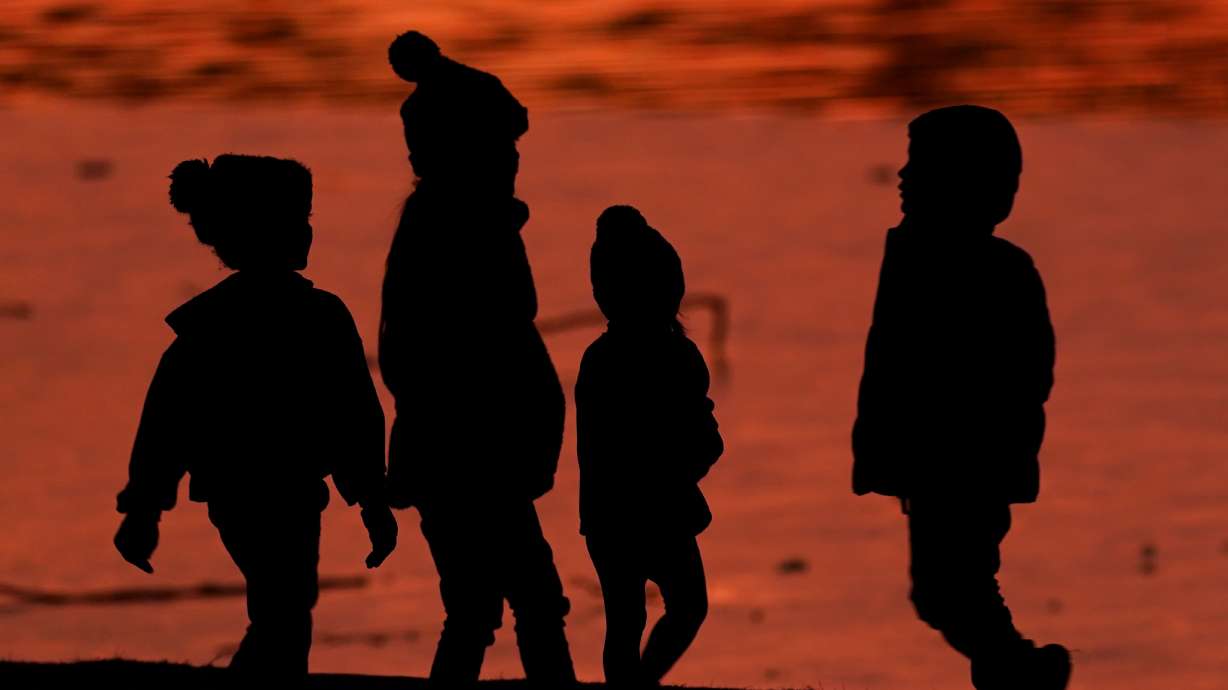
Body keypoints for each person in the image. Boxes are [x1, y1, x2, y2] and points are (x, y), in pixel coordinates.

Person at [112, 154, 397, 678]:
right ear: (267, 231)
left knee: (282, 608)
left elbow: (165, 426)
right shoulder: (317, 318)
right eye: (298, 220)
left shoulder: (212, 326)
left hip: (255, 493)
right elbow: (353, 415)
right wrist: (371, 500)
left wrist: (145, 509)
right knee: (285, 609)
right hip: (268, 491)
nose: (308, 232)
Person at [378, 31, 576, 687]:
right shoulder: (462, 232)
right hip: (474, 457)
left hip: (467, 458)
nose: (514, 158)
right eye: (502, 146)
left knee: (480, 607)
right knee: (525, 602)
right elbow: (472, 350)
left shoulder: (456, 224)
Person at [852, 105, 1071, 690]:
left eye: (919, 166)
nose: (903, 176)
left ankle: (1023, 670)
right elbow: (892, 363)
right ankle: (1017, 669)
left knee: (951, 587)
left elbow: (1028, 371)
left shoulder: (997, 270)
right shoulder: (918, 258)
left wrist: (986, 444)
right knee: (947, 589)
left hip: (969, 461)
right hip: (933, 461)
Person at [576, 205, 722, 687]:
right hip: (646, 509)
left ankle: (635, 686)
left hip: (613, 512)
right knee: (669, 609)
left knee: (636, 616)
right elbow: (696, 432)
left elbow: (697, 425)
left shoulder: (605, 358)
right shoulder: (660, 355)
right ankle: (637, 686)